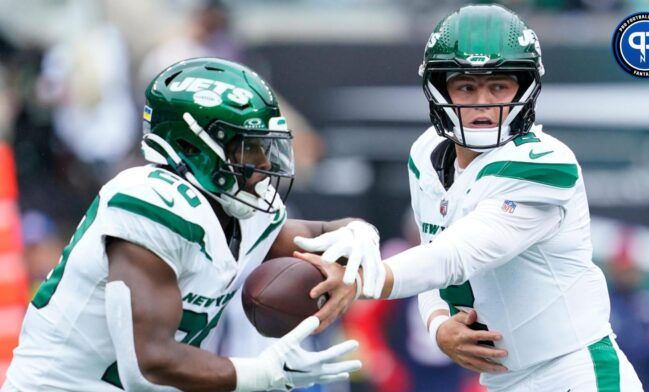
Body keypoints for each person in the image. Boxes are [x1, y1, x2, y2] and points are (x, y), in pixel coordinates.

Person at [297, 5, 645, 391]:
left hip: (573, 373)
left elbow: (456, 256)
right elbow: (433, 254)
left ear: (525, 88)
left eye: (498, 86)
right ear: (439, 88)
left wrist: (360, 280)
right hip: (502, 380)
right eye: (466, 86)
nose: (482, 102)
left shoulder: (545, 164)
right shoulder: (426, 155)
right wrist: (438, 325)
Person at [3, 58, 381, 392]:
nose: (264, 163)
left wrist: (360, 235)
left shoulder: (238, 207)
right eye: (248, 146)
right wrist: (259, 374)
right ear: (192, 146)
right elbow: (148, 365)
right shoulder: (150, 202)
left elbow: (319, 235)